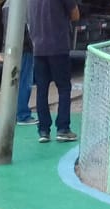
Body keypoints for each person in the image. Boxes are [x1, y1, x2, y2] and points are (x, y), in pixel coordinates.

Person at [27, 0, 80, 143]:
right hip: (58, 47)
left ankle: (43, 130)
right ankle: (63, 129)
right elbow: (75, 14)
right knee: (63, 88)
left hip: (38, 48)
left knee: (41, 89)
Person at [4, 0, 37, 125]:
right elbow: (29, 27)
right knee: (25, 81)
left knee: (13, 81)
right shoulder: (26, 4)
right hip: (25, 48)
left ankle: (12, 113)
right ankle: (23, 115)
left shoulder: (7, 4)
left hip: (12, 49)